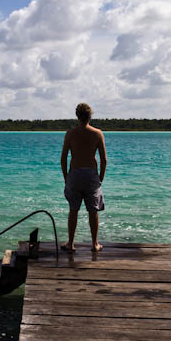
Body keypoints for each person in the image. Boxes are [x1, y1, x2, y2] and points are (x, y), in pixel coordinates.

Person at [60, 103, 106, 252]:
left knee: (73, 209)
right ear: (90, 116)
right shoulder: (97, 133)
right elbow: (104, 160)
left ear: (77, 116)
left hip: (75, 173)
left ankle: (71, 244)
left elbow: (63, 158)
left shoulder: (70, 133)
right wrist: (100, 178)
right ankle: (94, 244)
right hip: (91, 175)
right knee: (93, 210)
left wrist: (66, 177)